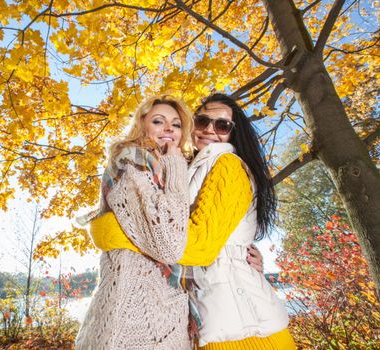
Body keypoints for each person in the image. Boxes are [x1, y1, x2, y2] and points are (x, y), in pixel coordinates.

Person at [90, 93, 296, 349]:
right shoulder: (185, 168)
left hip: (244, 330)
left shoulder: (227, 166)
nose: (210, 129)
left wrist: (110, 231)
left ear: (233, 133)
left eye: (222, 125)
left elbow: (198, 246)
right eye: (202, 121)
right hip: (210, 321)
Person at [75, 95, 195, 350]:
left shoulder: (160, 167)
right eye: (158, 121)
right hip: (132, 314)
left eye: (176, 124)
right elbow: (169, 245)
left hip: (160, 311)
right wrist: (176, 165)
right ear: (142, 125)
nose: (168, 129)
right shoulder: (131, 162)